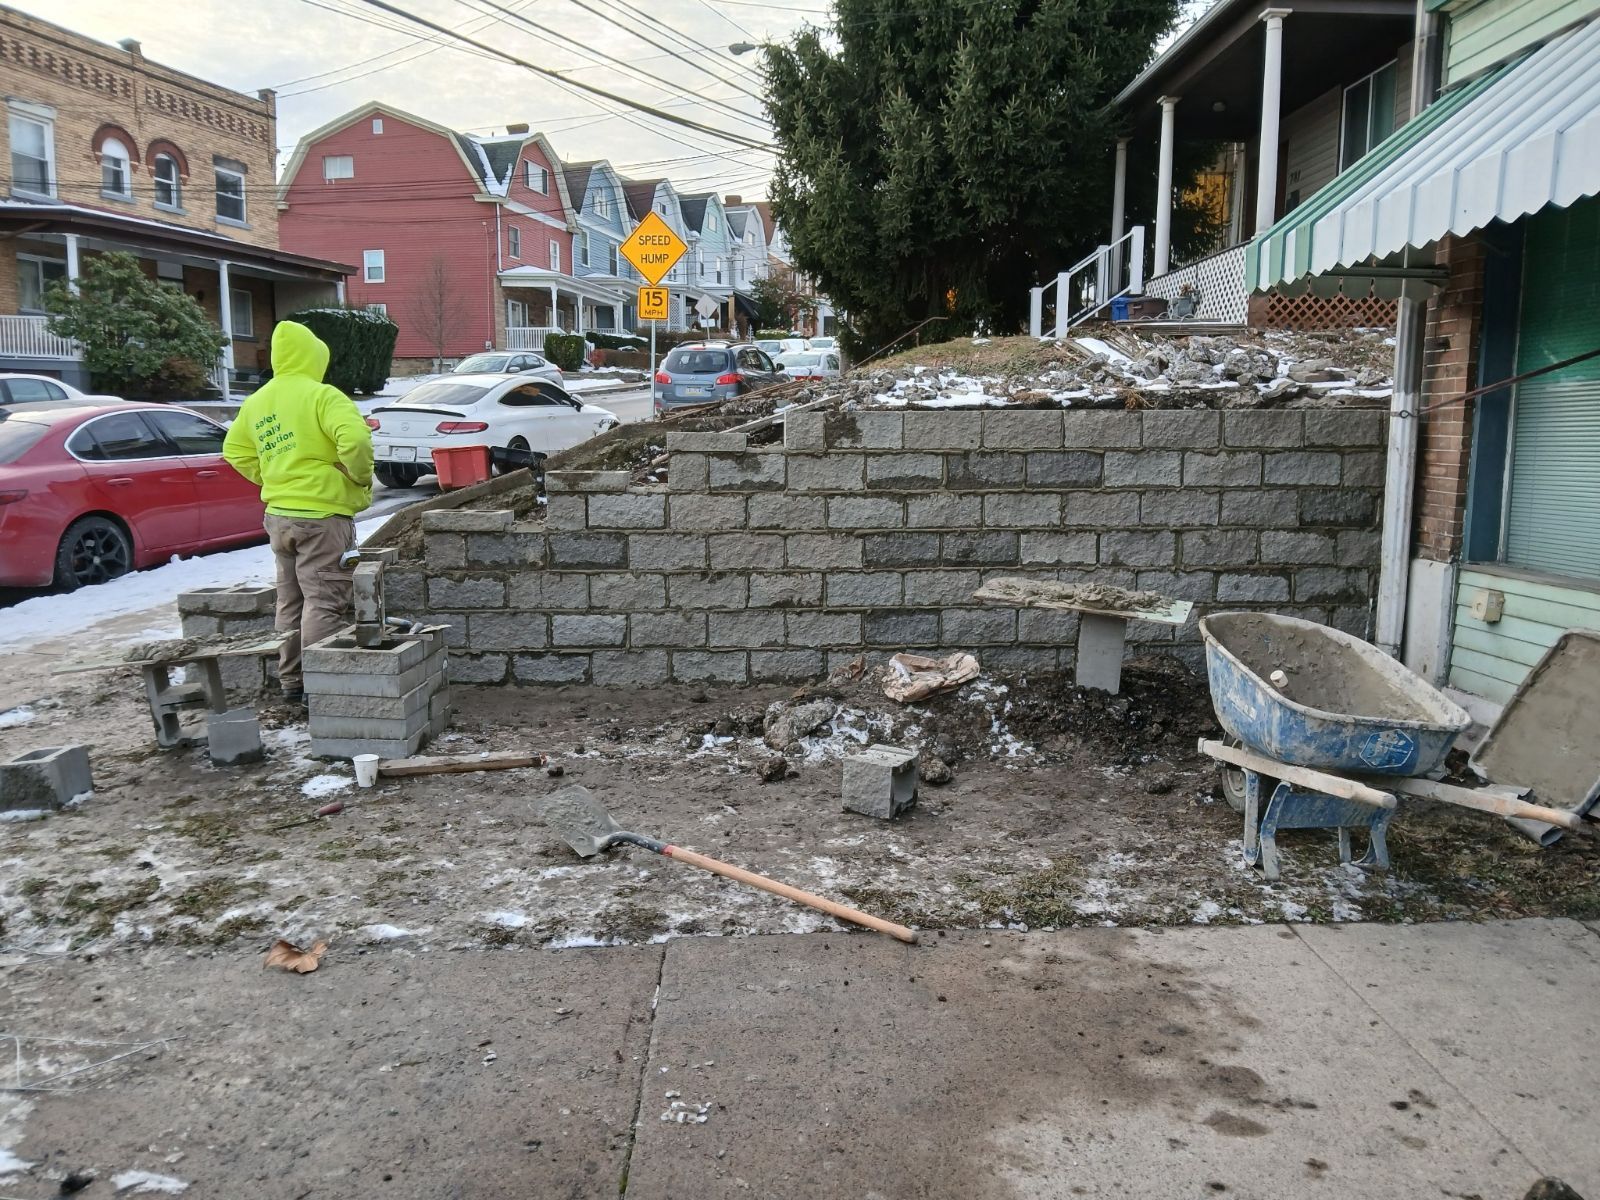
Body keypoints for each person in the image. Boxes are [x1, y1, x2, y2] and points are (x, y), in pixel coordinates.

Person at [223, 320, 373, 705]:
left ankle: (291, 681)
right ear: (314, 358)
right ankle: (319, 688)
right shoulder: (323, 396)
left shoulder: (257, 402)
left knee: (291, 601)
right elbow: (354, 440)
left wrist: (272, 476)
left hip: (280, 517)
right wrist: (357, 477)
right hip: (322, 518)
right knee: (324, 601)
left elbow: (235, 451)